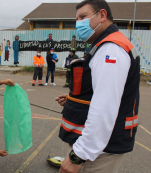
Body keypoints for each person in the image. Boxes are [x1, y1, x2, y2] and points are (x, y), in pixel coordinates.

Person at [56, 0, 140, 173]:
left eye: (83, 16)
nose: (79, 23)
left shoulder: (110, 49)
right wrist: (75, 101)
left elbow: (104, 109)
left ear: (102, 15)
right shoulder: (105, 44)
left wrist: (77, 156)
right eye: (77, 18)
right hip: (97, 150)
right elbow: (102, 92)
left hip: (95, 155)